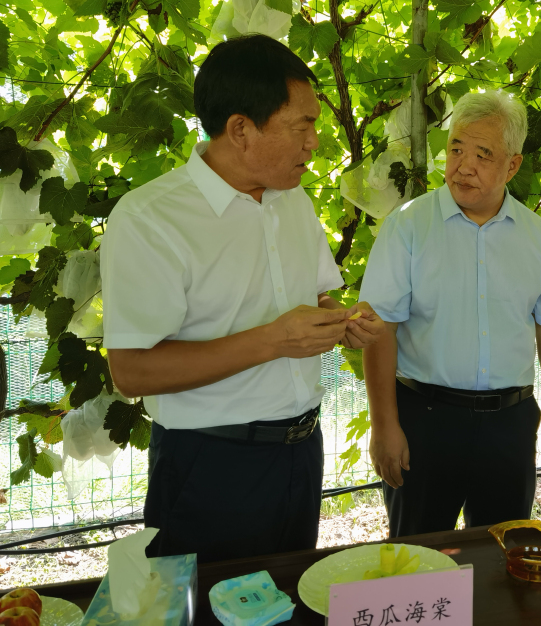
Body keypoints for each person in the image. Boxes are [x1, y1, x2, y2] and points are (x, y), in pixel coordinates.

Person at [101, 35, 384, 562]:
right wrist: (273, 340)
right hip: (210, 464)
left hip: (301, 453)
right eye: (302, 126)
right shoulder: (150, 218)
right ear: (240, 129)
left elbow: (316, 295)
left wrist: (343, 321)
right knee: (208, 602)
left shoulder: (292, 201)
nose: (314, 143)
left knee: (288, 595)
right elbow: (132, 371)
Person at [360, 90, 541, 537]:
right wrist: (384, 426)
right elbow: (379, 328)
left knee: (505, 553)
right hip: (425, 421)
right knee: (417, 556)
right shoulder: (408, 226)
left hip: (509, 425)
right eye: (456, 149)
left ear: (512, 165)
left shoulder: (536, 236)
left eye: (483, 154)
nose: (464, 166)